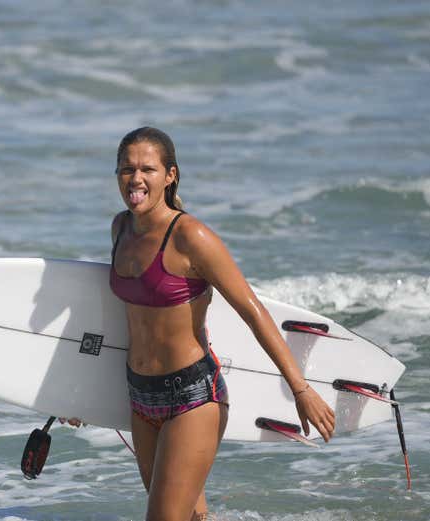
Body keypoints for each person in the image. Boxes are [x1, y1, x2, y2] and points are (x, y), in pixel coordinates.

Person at [105, 126, 336, 521]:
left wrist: (299, 387)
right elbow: (120, 320)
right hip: (140, 398)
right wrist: (69, 391)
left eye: (148, 169)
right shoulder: (120, 229)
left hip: (191, 396)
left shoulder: (190, 236)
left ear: (170, 175)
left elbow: (253, 312)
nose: (136, 179)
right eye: (127, 169)